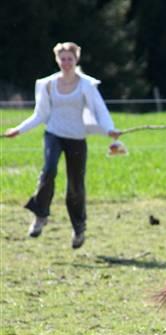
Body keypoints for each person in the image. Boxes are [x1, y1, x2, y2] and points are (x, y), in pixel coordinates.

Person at [3, 42, 121, 249]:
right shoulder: (47, 84)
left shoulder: (86, 85)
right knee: (48, 171)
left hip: (77, 137)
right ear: (57, 59)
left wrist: (110, 130)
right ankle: (40, 215)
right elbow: (39, 114)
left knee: (75, 186)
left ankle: (78, 228)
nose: (66, 62)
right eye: (63, 58)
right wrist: (18, 130)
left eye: (70, 59)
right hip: (54, 134)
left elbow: (101, 111)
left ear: (76, 60)